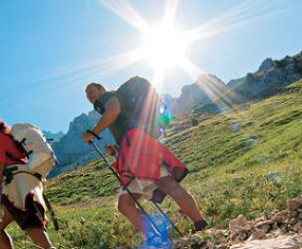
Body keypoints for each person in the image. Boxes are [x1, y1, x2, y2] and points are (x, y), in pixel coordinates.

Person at [82, 82, 208, 236]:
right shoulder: (115, 99)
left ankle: (200, 225)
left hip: (136, 145)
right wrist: (117, 152)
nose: (90, 96)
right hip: (131, 148)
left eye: (91, 91)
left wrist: (93, 133)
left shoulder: (108, 96)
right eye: (87, 95)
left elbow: (114, 110)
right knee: (125, 204)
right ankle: (157, 238)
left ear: (101, 89)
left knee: (165, 183)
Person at [0, 117, 59, 249]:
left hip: (16, 181)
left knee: (29, 219)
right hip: (23, 179)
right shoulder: (10, 139)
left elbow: (0, 164)